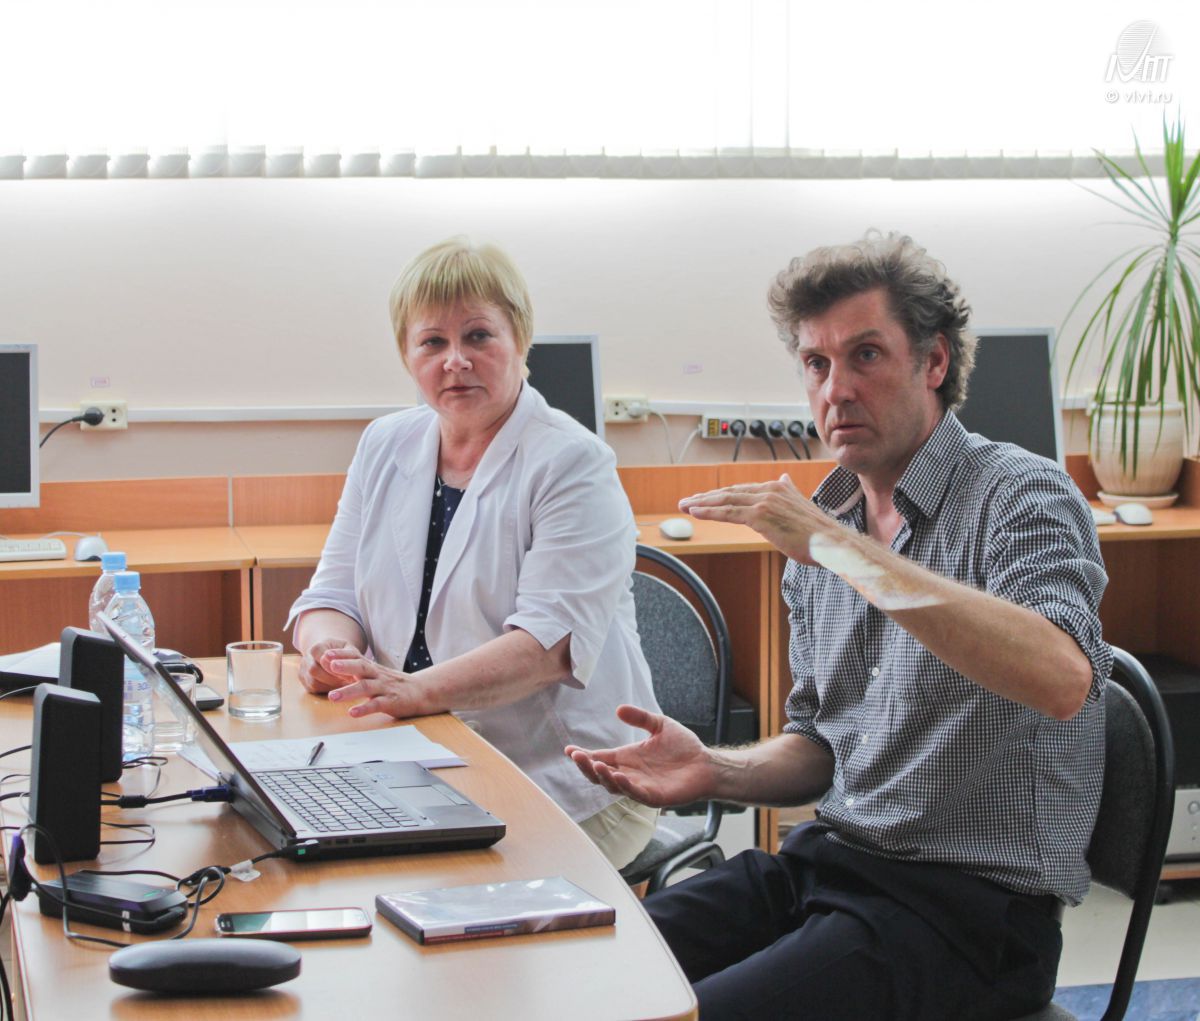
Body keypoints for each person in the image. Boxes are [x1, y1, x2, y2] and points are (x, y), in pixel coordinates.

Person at [567, 232, 1110, 1020]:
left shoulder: (1021, 494)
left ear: (934, 361)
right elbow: (819, 744)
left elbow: (1062, 678)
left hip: (968, 915)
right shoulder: (829, 522)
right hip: (832, 865)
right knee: (584, 966)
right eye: (816, 364)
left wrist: (839, 550)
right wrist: (714, 769)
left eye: (866, 355)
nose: (836, 389)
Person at [288, 237, 660, 869]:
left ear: (521, 340)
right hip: (419, 754)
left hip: (572, 780)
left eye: (479, 336)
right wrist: (330, 652)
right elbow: (332, 594)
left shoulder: (573, 463)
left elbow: (547, 646)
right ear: (407, 356)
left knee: (432, 891)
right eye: (432, 342)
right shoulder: (385, 444)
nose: (455, 361)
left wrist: (410, 691)